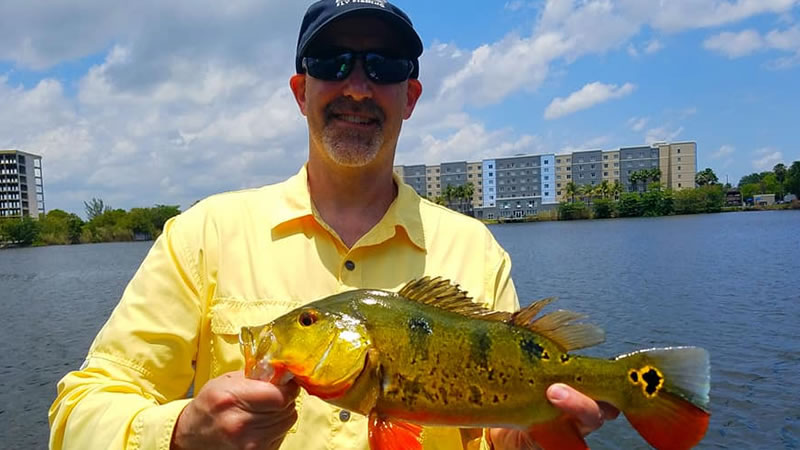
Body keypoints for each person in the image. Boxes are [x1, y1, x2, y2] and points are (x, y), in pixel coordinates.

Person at [49, 1, 616, 449]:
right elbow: (79, 410)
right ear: (301, 92)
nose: (357, 86)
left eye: (385, 66)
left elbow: (493, 437)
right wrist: (178, 434)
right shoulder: (202, 235)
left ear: (410, 96)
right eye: (331, 63)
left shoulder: (477, 250)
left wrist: (521, 441)